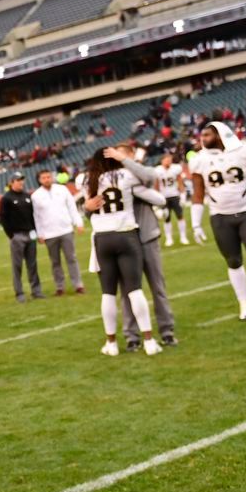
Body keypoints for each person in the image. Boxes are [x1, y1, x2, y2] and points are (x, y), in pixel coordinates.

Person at [188, 121, 246, 320]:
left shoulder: (244, 151)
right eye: (202, 135)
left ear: (221, 135)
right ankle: (244, 301)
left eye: (207, 135)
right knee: (233, 261)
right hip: (220, 216)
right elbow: (198, 194)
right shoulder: (199, 160)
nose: (202, 139)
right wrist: (196, 223)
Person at [82, 147, 164, 357]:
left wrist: (86, 207)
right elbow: (148, 179)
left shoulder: (85, 179)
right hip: (126, 234)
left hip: (102, 238)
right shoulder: (127, 175)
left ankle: (111, 343)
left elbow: (87, 207)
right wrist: (127, 160)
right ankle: (148, 340)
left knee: (108, 293)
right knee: (135, 290)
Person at [103, 148, 178, 349]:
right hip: (124, 240)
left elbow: (149, 177)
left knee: (157, 287)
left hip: (146, 237)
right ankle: (131, 335)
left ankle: (167, 330)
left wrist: (128, 160)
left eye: (121, 155)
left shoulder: (138, 174)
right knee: (128, 291)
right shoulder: (114, 179)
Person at [31, 169, 85, 296]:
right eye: (43, 178)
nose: (47, 179)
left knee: (72, 258)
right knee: (55, 262)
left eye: (48, 177)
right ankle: (60, 287)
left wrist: (78, 223)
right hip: (49, 234)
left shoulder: (62, 189)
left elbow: (72, 207)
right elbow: (36, 216)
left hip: (66, 229)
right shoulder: (36, 196)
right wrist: (40, 234)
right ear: (39, 180)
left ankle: (78, 284)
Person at [0, 173, 43, 302]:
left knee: (32, 264)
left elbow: (32, 216)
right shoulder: (6, 198)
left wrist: (35, 231)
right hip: (17, 236)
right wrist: (11, 235)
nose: (21, 183)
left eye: (22, 180)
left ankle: (36, 291)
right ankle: (19, 293)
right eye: (18, 180)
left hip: (30, 234)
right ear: (12, 182)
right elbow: (3, 218)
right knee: (17, 266)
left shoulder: (27, 196)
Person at [155, 154, 190, 246]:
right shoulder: (157, 170)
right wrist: (156, 199)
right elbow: (156, 186)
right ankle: (169, 238)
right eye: (167, 160)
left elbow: (180, 182)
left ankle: (183, 237)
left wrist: (183, 195)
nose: (168, 161)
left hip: (174, 195)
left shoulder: (175, 168)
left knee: (180, 216)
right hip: (163, 197)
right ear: (162, 160)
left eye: (170, 160)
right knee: (167, 218)